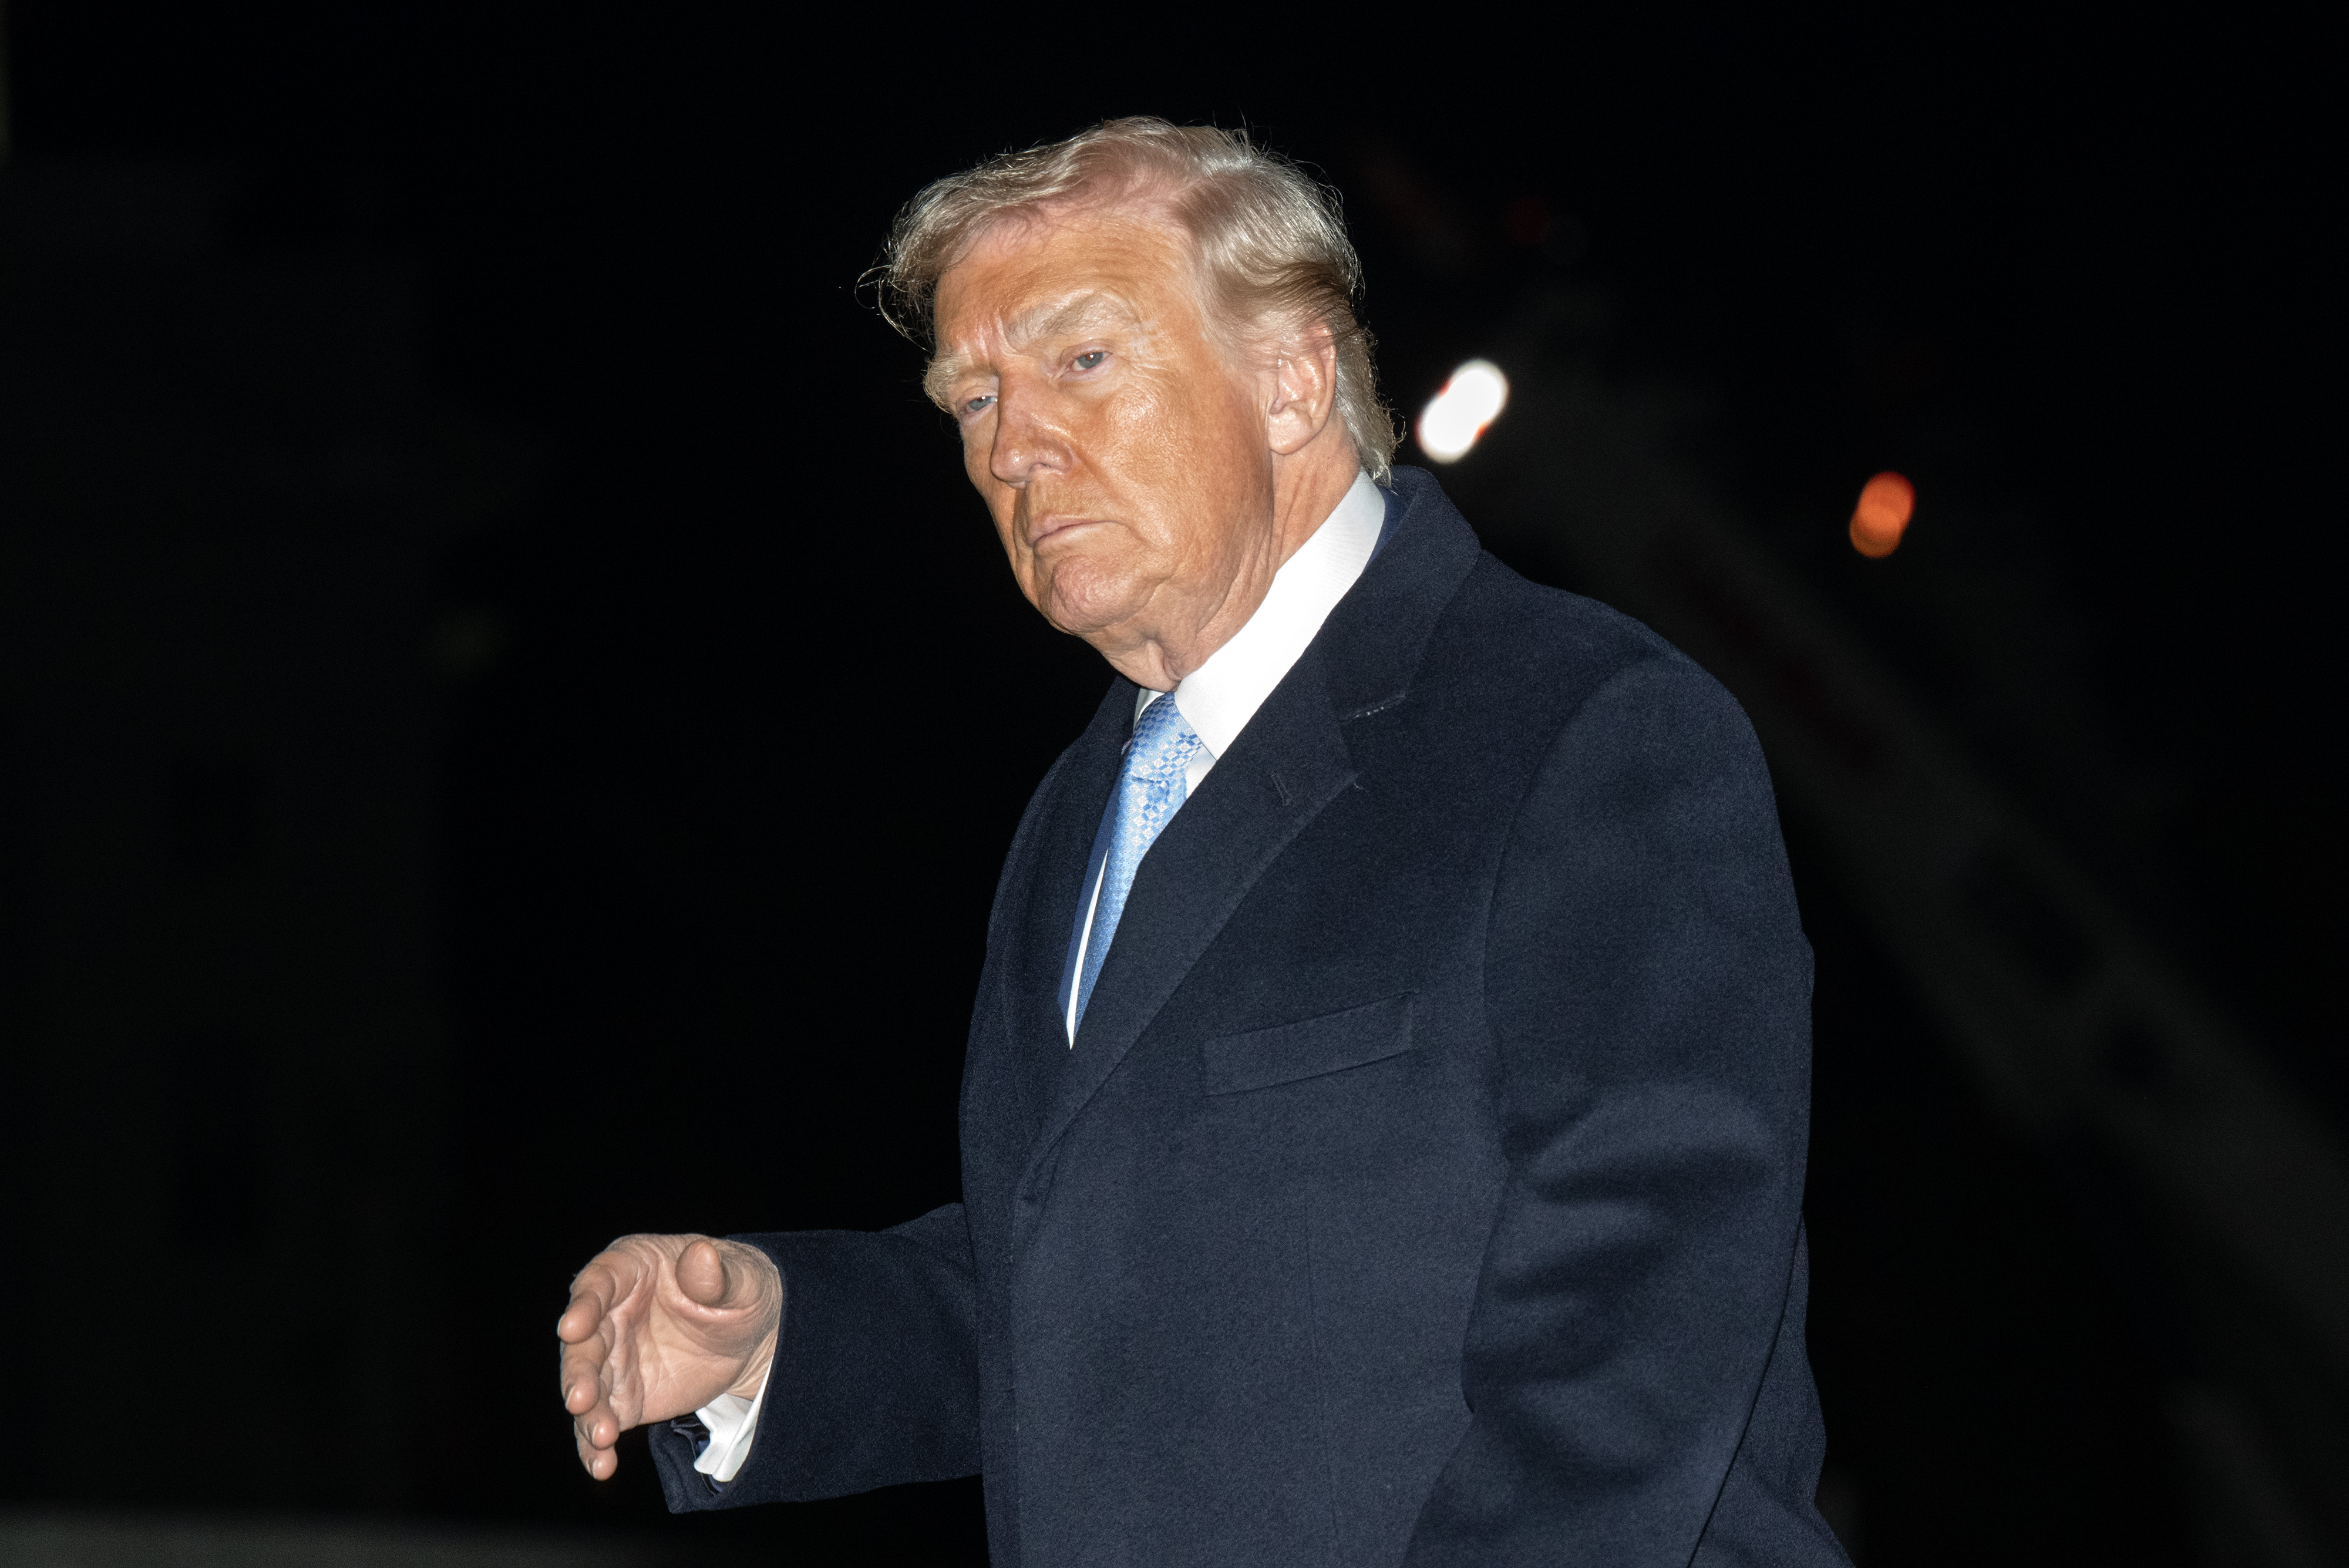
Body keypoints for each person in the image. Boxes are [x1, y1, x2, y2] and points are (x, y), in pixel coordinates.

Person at [556, 117, 1848, 1567]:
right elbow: (1091, 1290)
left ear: (1292, 380)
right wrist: (777, 1340)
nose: (1015, 445)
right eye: (971, 398)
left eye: (1081, 361)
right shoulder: (1084, 808)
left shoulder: (1585, 730)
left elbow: (1637, 1325)